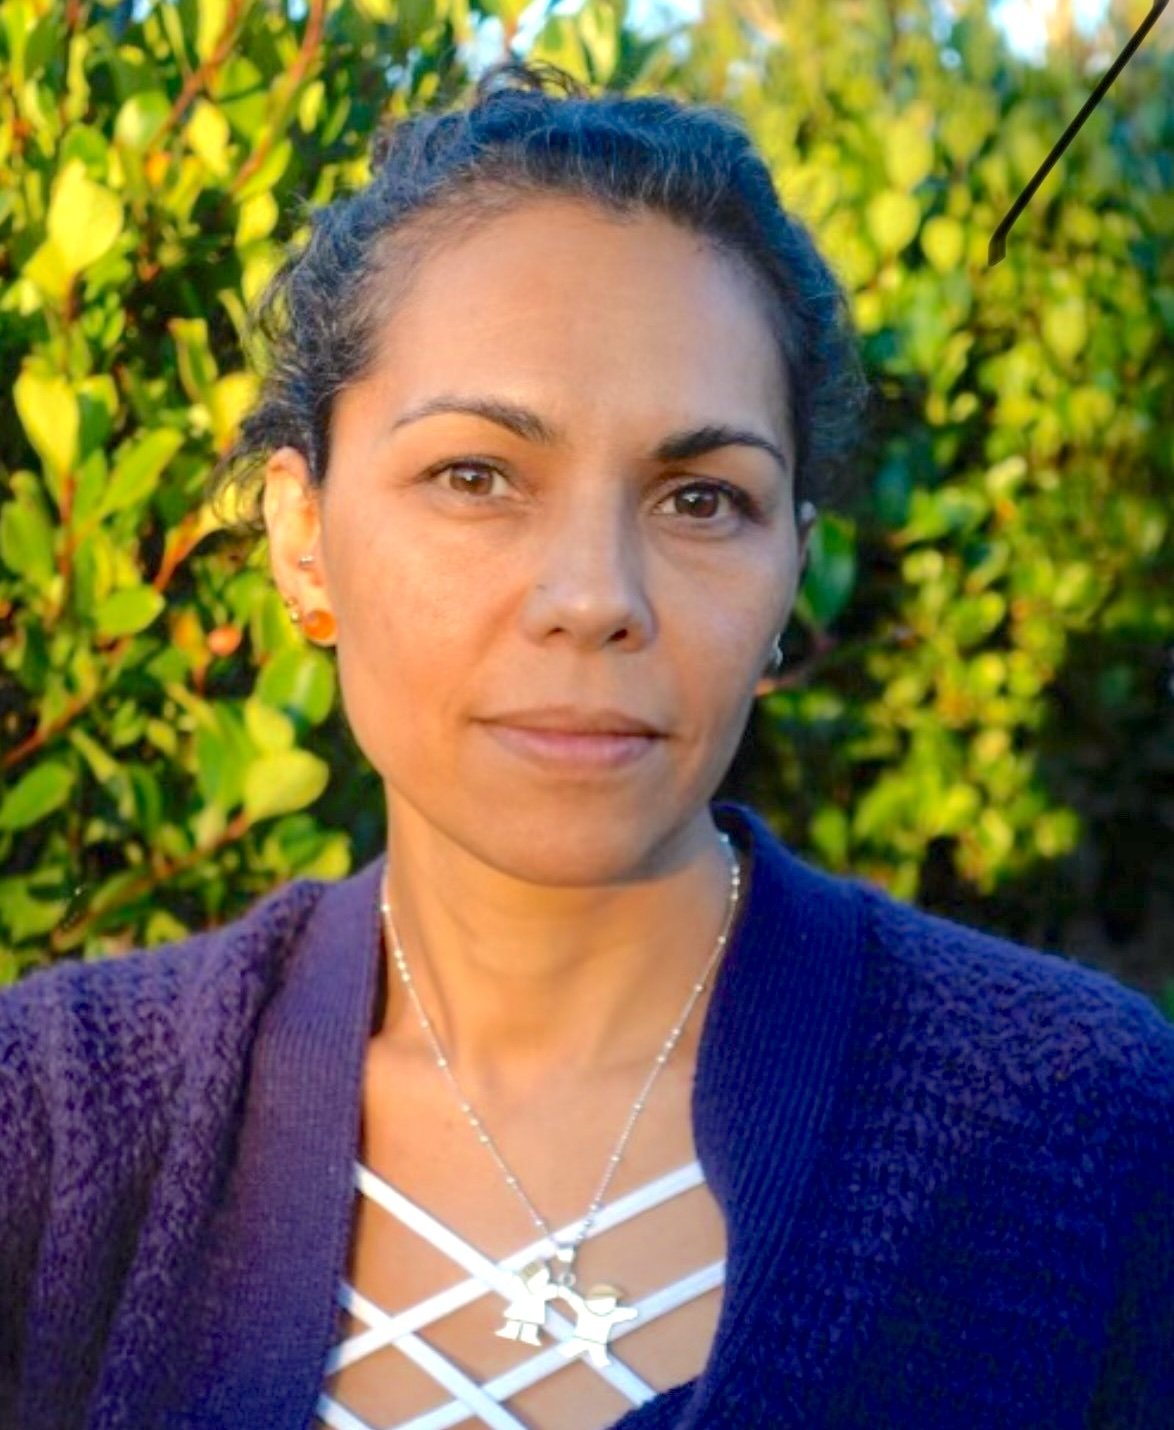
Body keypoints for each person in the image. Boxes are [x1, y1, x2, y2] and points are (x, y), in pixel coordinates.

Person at [1, 57, 1171, 1430]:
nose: (595, 596)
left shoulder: (1066, 1125)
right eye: (476, 475)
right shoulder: (60, 1123)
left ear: (790, 571)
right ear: (301, 535)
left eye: (699, 497)